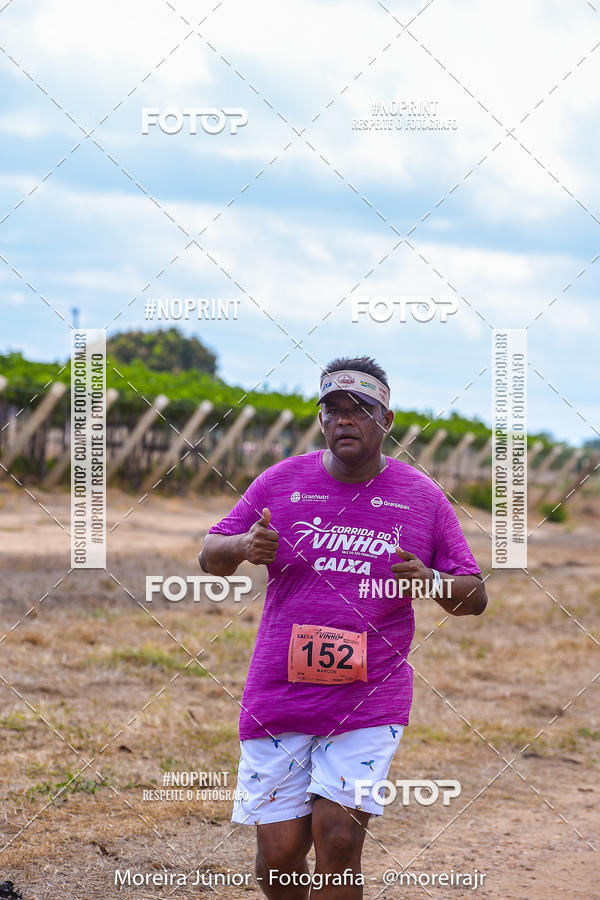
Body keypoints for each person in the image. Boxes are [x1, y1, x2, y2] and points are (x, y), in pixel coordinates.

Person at [199, 355, 487, 899]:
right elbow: (209, 554)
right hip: (278, 694)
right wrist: (243, 546)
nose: (344, 420)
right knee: (279, 855)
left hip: (368, 699)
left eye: (360, 410)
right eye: (332, 410)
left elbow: (475, 596)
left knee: (338, 838)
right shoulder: (280, 482)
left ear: (387, 420)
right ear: (321, 419)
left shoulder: (422, 497)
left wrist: (431, 581)